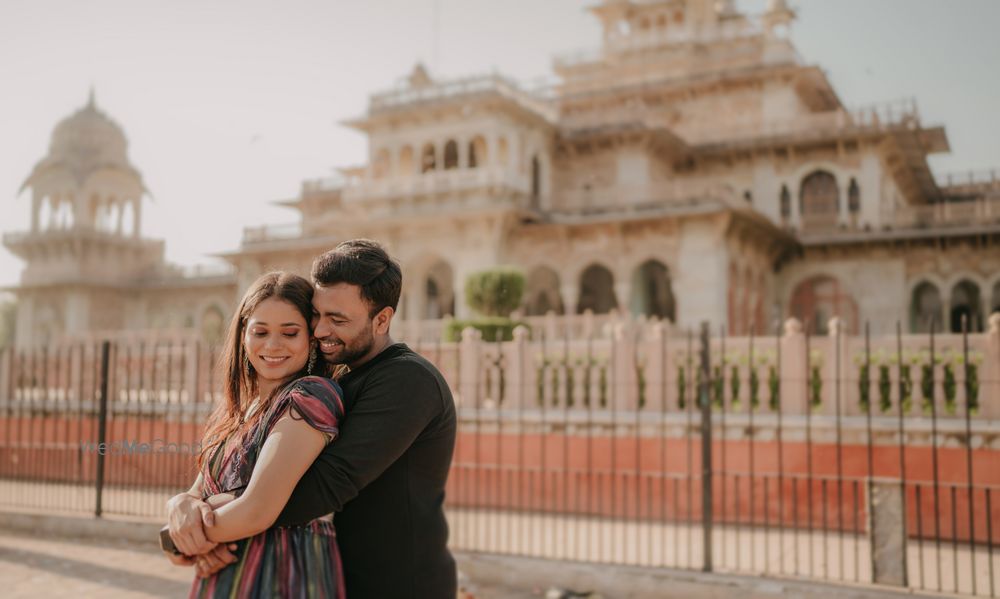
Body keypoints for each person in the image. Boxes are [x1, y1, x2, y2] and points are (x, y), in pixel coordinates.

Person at [168, 239, 458, 598]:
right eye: (317, 316)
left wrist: (194, 531)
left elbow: (320, 489)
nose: (320, 330)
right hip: (336, 576)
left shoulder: (407, 380)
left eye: (337, 320)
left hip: (397, 584)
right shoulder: (339, 380)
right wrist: (183, 506)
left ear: (382, 319)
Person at [165, 271, 346, 598]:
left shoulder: (309, 397)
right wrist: (178, 506)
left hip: (284, 574)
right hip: (226, 576)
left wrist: (185, 538)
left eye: (290, 333)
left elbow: (258, 509)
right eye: (260, 332)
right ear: (243, 336)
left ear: (311, 338)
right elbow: (195, 496)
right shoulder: (235, 411)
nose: (273, 345)